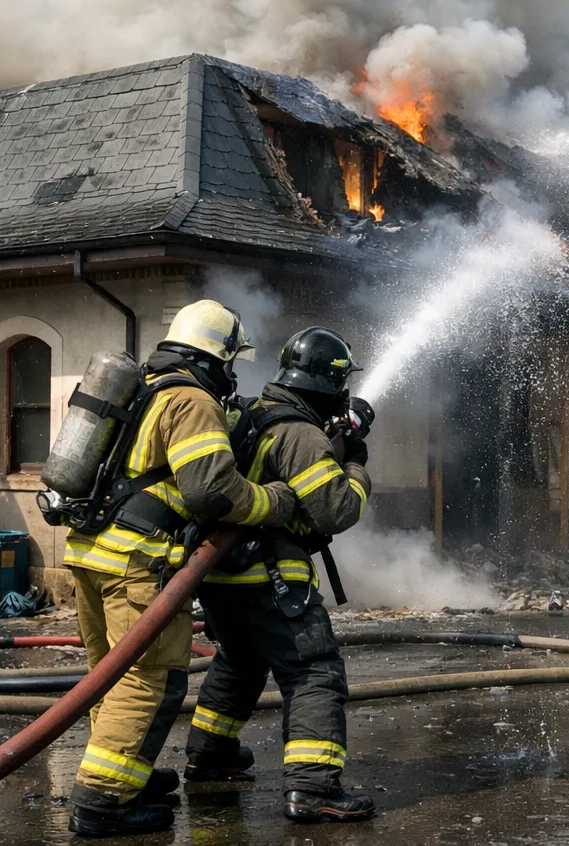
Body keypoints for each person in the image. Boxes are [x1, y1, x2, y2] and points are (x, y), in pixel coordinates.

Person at [65, 300, 298, 838]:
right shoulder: (191, 400)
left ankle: (129, 774)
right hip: (135, 563)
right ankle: (102, 802)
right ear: (215, 356)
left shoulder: (145, 389)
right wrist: (274, 501)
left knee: (110, 676)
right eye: (231, 362)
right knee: (148, 679)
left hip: (90, 553)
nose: (232, 374)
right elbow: (212, 491)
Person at [185, 327, 375, 824]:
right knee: (314, 671)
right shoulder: (300, 435)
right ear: (330, 383)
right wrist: (355, 463)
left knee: (240, 661)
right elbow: (336, 510)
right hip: (271, 579)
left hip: (220, 576)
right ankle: (312, 787)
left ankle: (210, 755)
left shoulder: (254, 412)